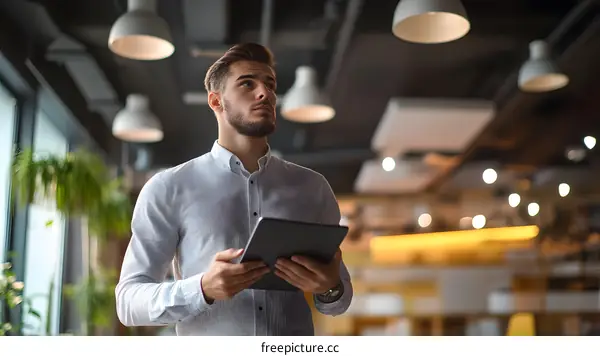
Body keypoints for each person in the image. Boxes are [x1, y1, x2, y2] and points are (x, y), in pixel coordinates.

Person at [115, 43, 353, 336]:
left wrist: (329, 288)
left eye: (270, 84)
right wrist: (202, 288)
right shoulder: (168, 188)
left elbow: (338, 301)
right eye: (247, 84)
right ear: (216, 102)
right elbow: (128, 302)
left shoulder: (312, 187)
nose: (265, 93)